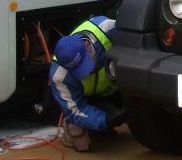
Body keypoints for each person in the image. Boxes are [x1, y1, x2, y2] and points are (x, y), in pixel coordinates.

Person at [49, 15, 126, 151]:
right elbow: (75, 110)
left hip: (122, 88)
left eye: (85, 65)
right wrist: (105, 120)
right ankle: (74, 130)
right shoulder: (59, 75)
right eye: (77, 70)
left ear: (88, 45)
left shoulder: (107, 28)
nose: (85, 73)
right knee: (82, 142)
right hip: (91, 101)